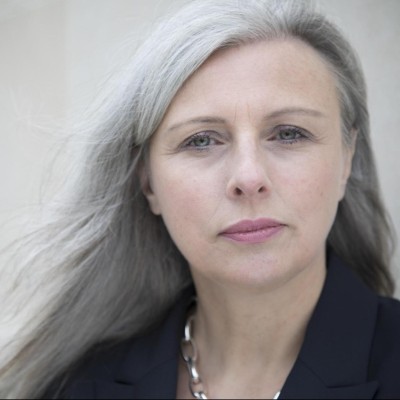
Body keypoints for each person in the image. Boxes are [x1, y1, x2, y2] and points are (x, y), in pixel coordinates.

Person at [0, 0, 399, 398]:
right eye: (201, 140)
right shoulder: (75, 388)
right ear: (148, 182)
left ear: (346, 159)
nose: (249, 178)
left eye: (289, 133)